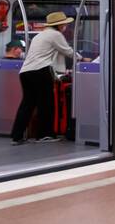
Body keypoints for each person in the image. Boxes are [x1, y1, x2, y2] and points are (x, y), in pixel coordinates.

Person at [10, 12, 75, 145]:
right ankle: (45, 135)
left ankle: (17, 136)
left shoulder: (40, 35)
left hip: (25, 72)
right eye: (65, 24)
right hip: (40, 71)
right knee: (46, 104)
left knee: (27, 104)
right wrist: (82, 58)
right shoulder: (55, 35)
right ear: (60, 25)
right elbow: (67, 51)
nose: (66, 26)